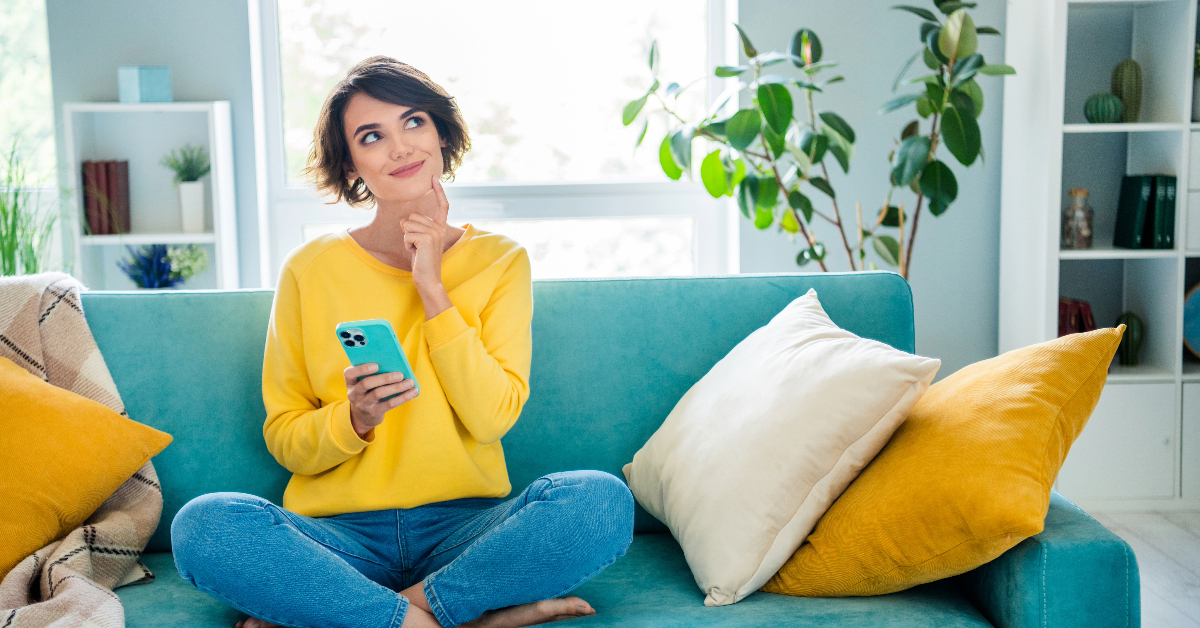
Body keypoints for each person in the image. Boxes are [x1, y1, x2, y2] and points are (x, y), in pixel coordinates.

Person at [170, 56, 635, 628]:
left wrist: (433, 288)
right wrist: (354, 419)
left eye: (413, 122)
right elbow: (286, 440)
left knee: (599, 501)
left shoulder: (500, 261)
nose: (400, 148)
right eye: (372, 136)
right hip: (338, 541)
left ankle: (366, 615)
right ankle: (454, 619)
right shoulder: (309, 270)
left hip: (465, 533)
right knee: (204, 523)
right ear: (352, 165)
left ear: (441, 133)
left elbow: (491, 418)